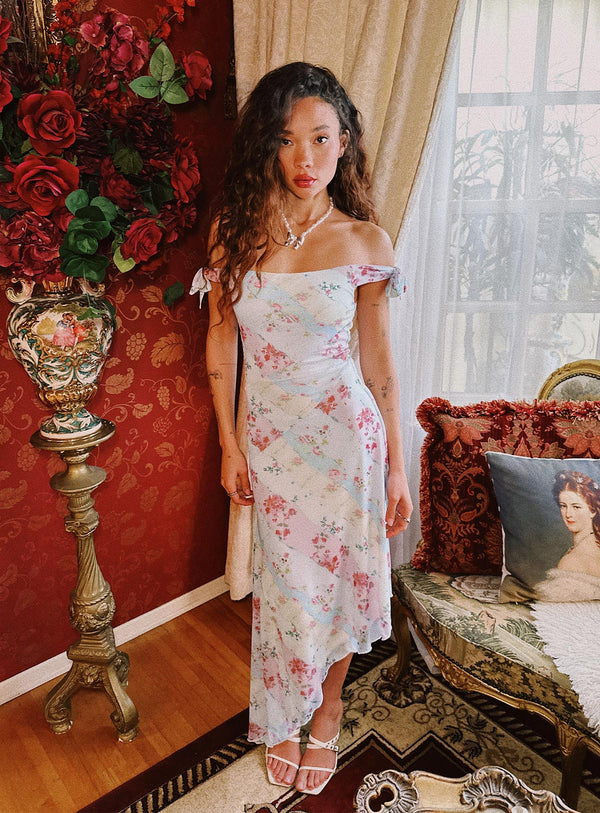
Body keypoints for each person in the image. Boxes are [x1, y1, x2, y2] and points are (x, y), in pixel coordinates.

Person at [197, 62, 412, 795]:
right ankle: (285, 709)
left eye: (321, 138)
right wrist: (228, 443)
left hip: (346, 439)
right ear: (266, 145)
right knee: (288, 588)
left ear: (344, 142)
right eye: (287, 140)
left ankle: (326, 711)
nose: (305, 158)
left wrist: (397, 465)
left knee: (342, 582)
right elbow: (222, 340)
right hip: (269, 441)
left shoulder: (366, 241)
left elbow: (378, 360)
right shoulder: (233, 233)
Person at [534, 470, 600, 601]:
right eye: (563, 506)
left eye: (576, 507)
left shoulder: (571, 561)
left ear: (592, 511)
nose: (568, 514)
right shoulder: (594, 542)